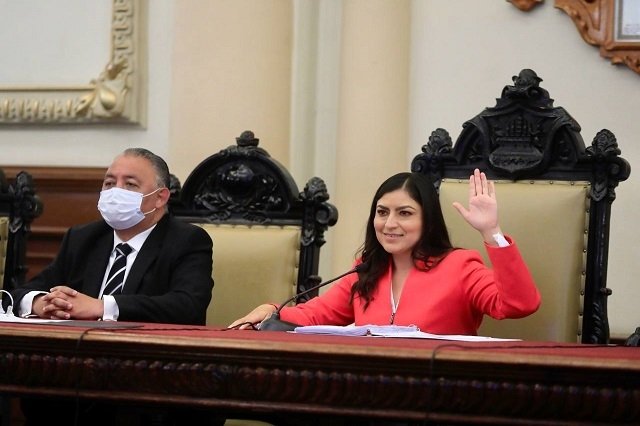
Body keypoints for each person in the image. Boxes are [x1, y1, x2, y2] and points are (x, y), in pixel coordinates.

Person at [8, 148, 219, 426]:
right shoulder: (83, 237)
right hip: (75, 375)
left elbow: (187, 305)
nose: (115, 192)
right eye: (109, 183)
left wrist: (102, 307)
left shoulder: (187, 241)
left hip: (150, 377)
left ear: (160, 197)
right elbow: (21, 292)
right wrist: (38, 302)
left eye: (130, 185)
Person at [230, 169, 541, 334]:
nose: (390, 224)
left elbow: (519, 305)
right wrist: (272, 310)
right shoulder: (365, 270)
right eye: (382, 212)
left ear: (427, 220)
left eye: (404, 213)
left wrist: (491, 231)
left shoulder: (460, 266)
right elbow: (314, 314)